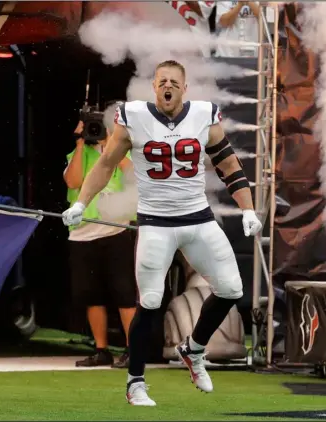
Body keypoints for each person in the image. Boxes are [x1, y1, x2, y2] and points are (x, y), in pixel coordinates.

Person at [62, 60, 262, 405]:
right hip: (156, 222)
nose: (167, 86)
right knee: (151, 301)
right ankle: (135, 382)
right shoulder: (134, 117)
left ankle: (193, 349)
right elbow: (106, 164)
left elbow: (228, 164)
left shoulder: (203, 115)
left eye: (174, 82)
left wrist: (247, 208)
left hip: (197, 219)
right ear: (154, 87)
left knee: (231, 289)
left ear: (184, 89)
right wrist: (81, 203)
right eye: (161, 81)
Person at [63, 115, 137, 369]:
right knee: (90, 294)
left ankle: (132, 350)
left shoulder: (120, 152)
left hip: (115, 230)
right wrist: (81, 143)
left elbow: (134, 174)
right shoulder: (77, 153)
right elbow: (72, 181)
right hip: (82, 233)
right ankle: (101, 349)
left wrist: (109, 144)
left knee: (124, 293)